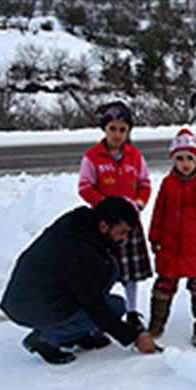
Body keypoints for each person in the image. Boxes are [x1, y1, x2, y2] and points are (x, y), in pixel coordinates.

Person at [0, 197, 160, 365]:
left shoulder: (82, 225)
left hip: (47, 290)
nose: (125, 239)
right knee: (114, 307)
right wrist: (134, 338)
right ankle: (44, 339)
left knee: (111, 272)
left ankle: (78, 334)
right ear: (104, 226)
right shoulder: (80, 254)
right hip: (31, 304)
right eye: (122, 233)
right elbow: (95, 306)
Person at [78, 100, 153, 331]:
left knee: (131, 273)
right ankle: (100, 315)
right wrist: (104, 207)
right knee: (104, 272)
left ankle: (131, 311)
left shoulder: (135, 156)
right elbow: (85, 186)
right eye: (112, 129)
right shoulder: (93, 157)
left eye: (122, 129)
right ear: (104, 129)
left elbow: (144, 183)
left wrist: (138, 205)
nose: (117, 134)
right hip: (104, 226)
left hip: (129, 224)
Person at [148, 128, 196, 347]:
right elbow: (159, 211)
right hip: (170, 247)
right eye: (179, 158)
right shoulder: (168, 183)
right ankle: (156, 324)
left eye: (189, 158)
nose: (184, 163)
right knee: (164, 284)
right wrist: (154, 236)